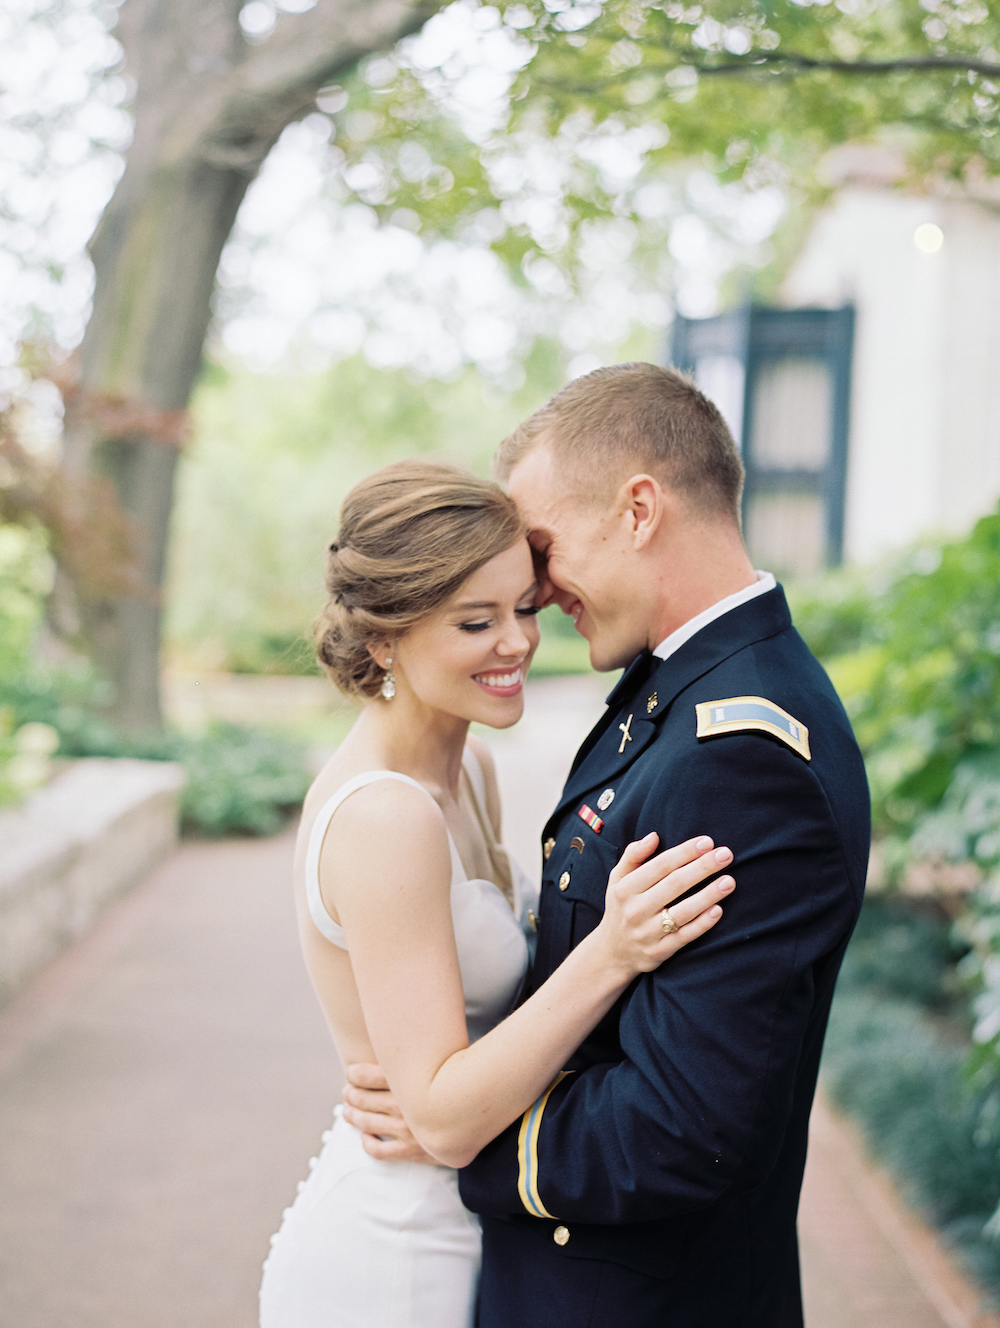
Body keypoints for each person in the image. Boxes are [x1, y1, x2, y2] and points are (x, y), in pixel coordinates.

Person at [343, 365, 871, 1327]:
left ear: (638, 510)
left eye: (542, 549)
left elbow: (687, 1127)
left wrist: (457, 1134)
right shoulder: (684, 696)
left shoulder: (737, 750)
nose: (536, 594)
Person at [258, 459, 736, 1328]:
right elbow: (440, 1119)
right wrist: (613, 952)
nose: (516, 642)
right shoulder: (384, 817)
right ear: (383, 640)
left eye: (525, 607)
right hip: (398, 1254)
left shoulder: (467, 765)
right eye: (476, 621)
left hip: (483, 1219)